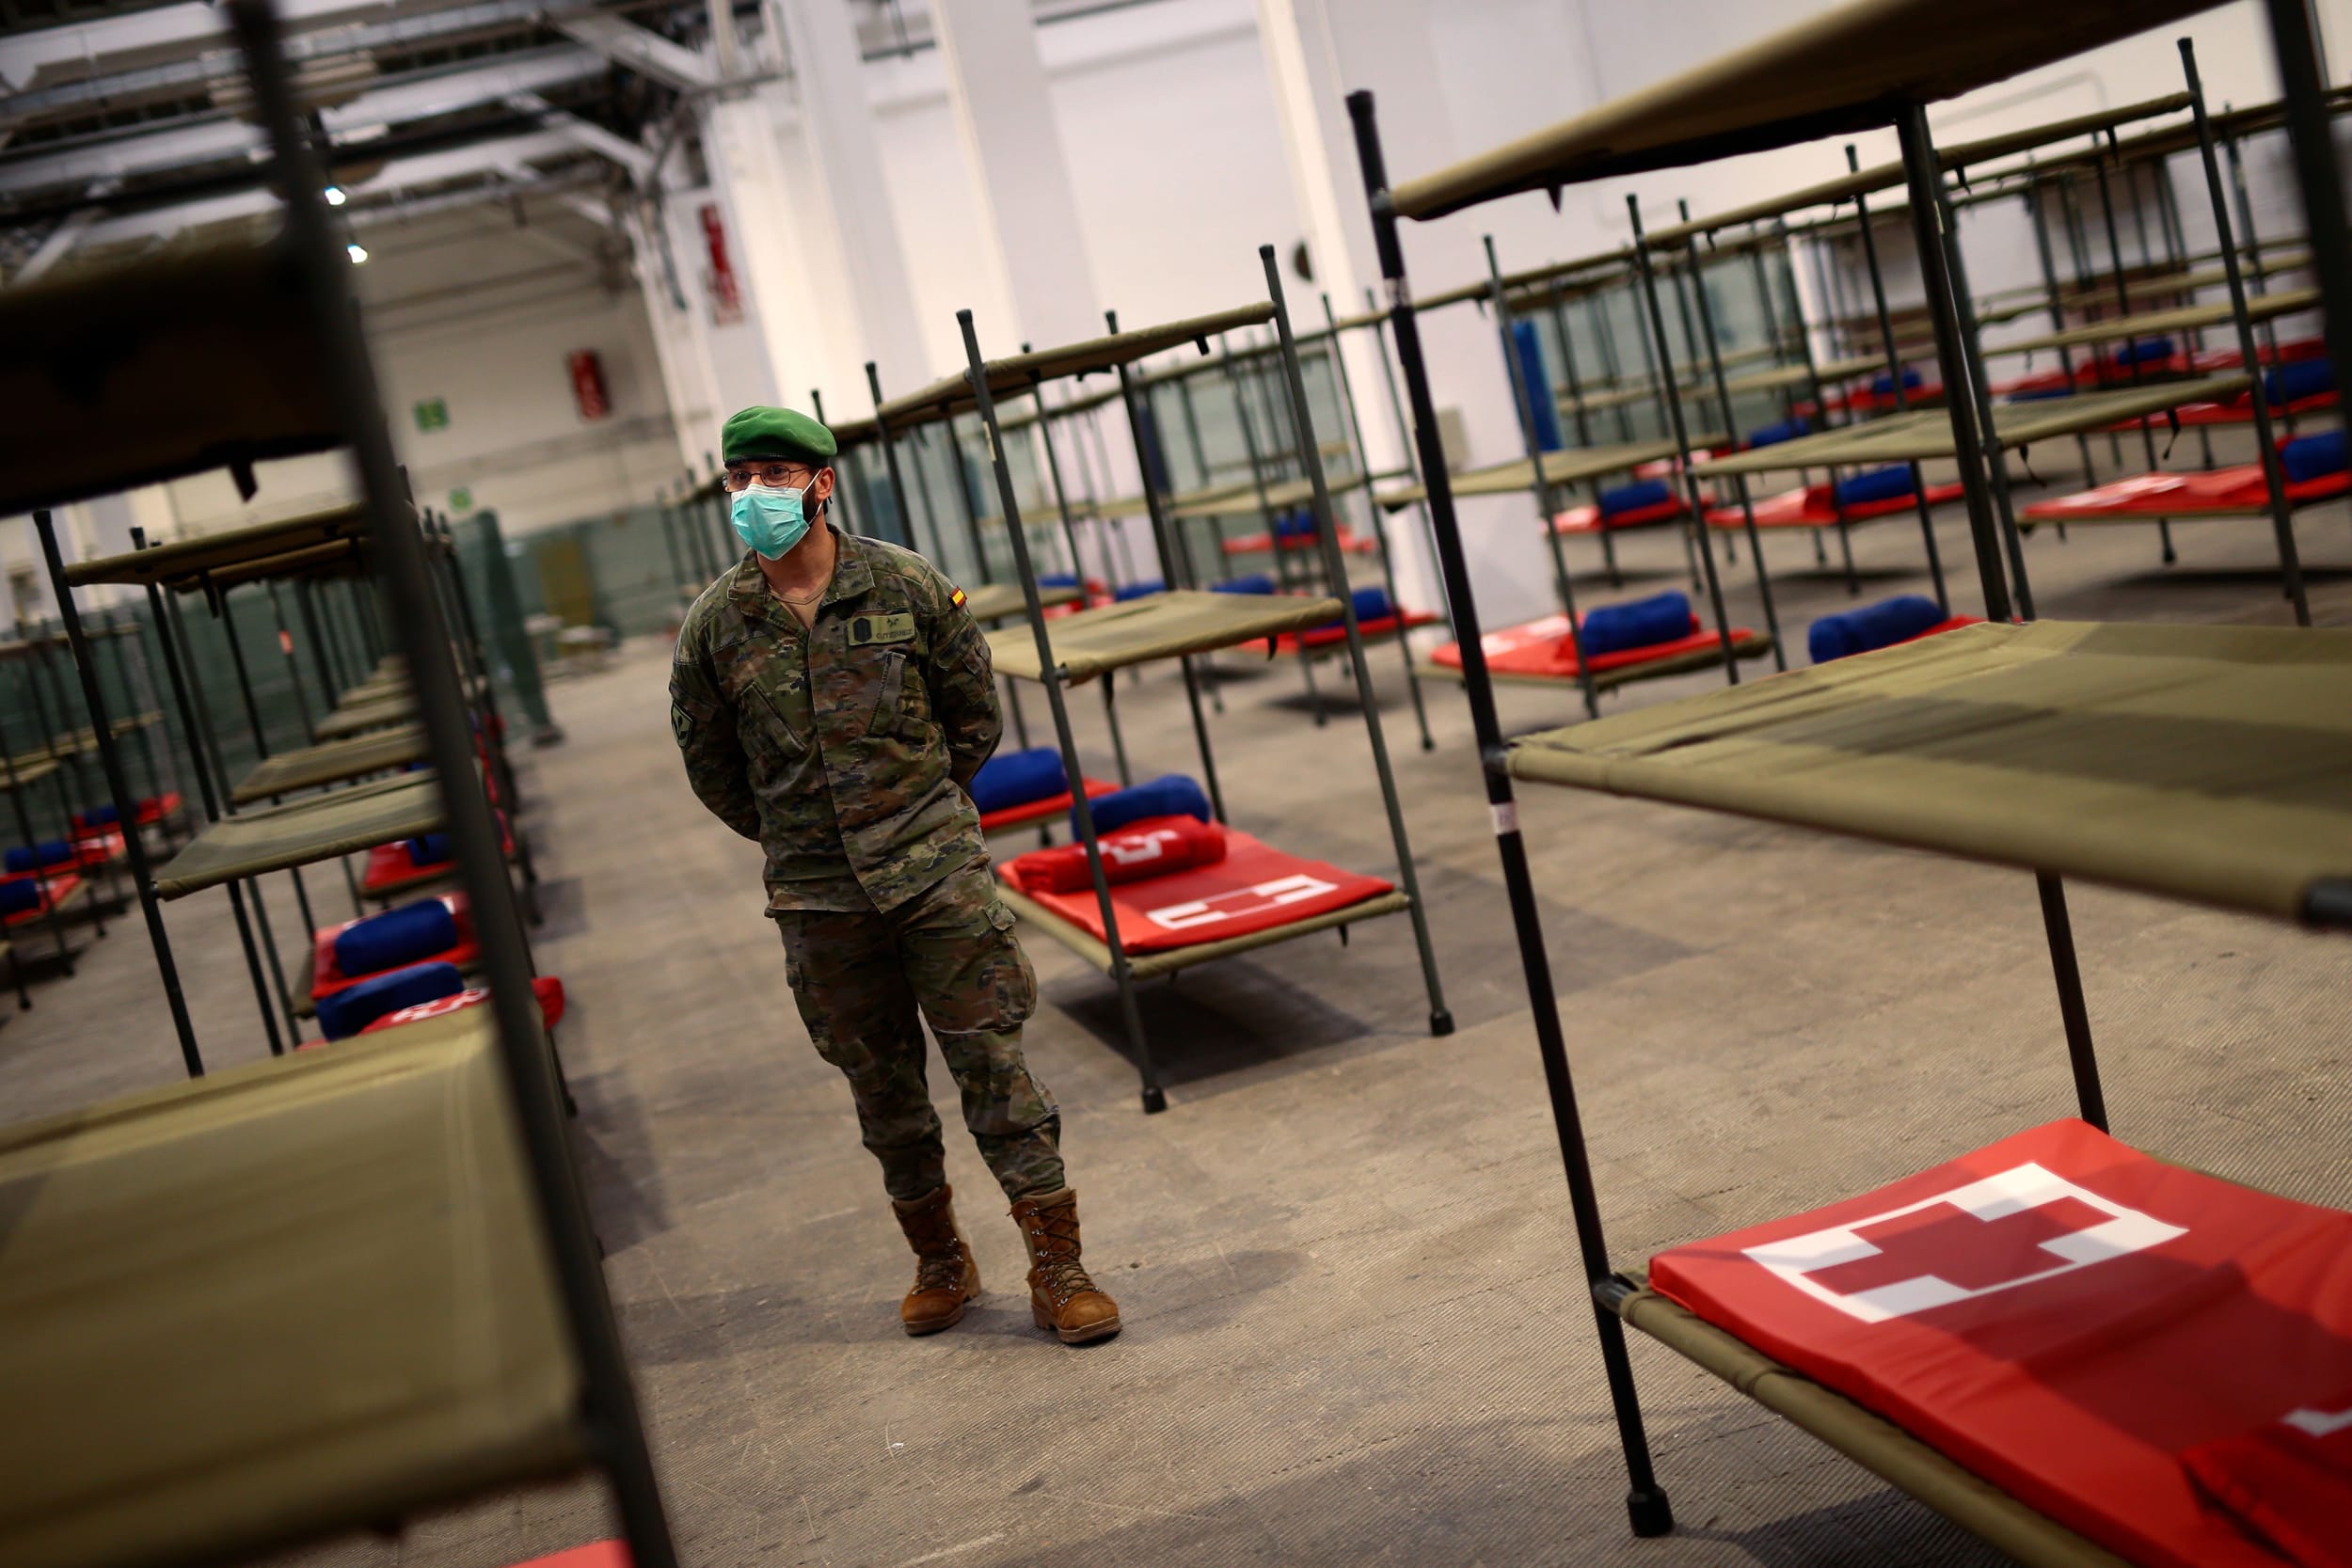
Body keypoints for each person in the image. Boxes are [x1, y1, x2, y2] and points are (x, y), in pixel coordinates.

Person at [669, 404, 1120, 1345]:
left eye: (775, 474)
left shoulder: (906, 585)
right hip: (817, 894)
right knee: (883, 1094)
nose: (755, 493)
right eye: (740, 476)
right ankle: (940, 1259)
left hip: (933, 873)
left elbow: (974, 715)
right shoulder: (716, 628)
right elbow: (711, 766)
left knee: (995, 1065)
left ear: (821, 482)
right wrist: (803, 835)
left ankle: (1058, 1265)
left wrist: (915, 813)